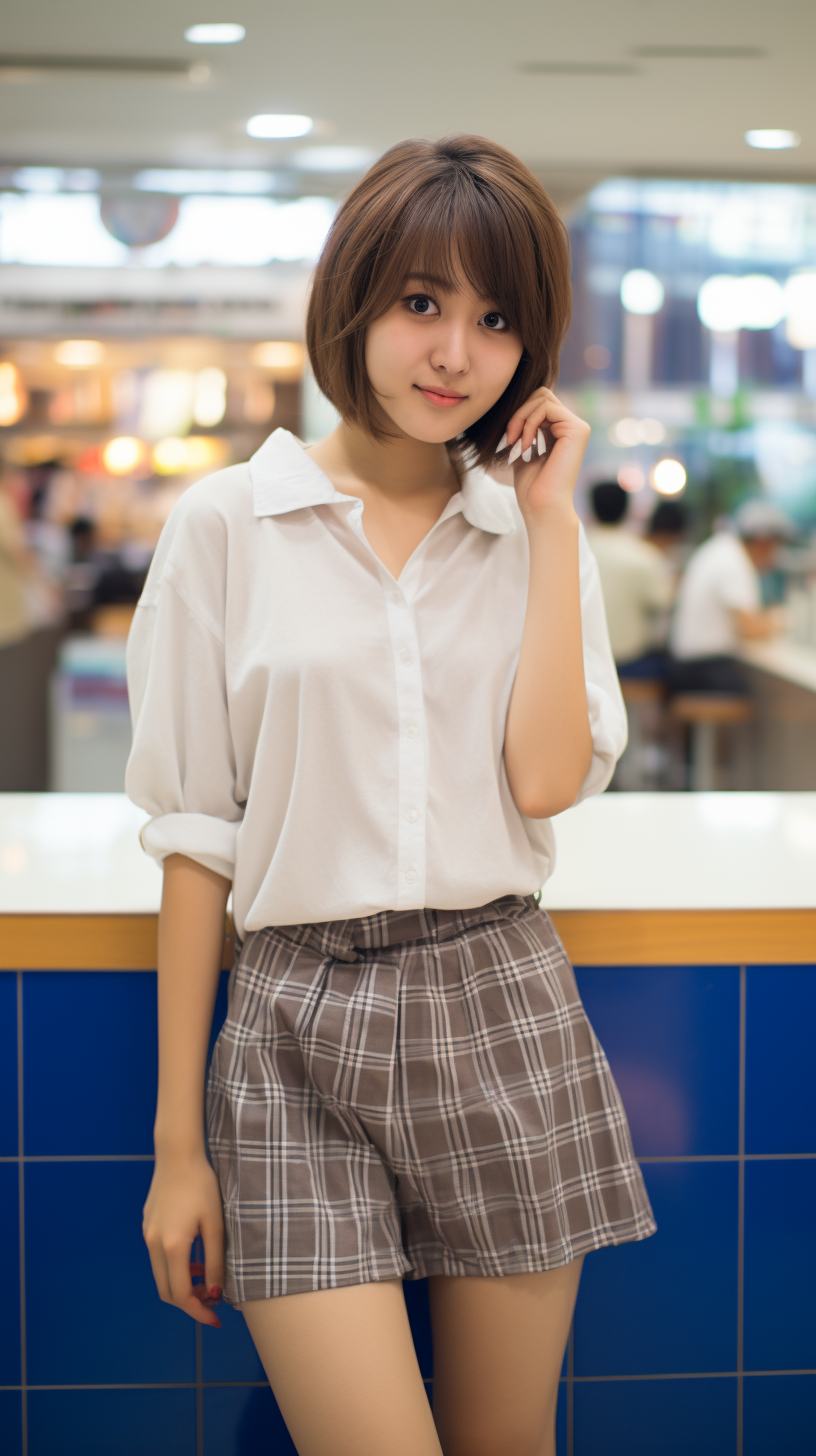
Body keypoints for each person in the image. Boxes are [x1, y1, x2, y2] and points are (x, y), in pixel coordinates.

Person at [125, 134, 656, 1456]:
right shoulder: (226, 525)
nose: (454, 354)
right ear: (354, 299)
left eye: (496, 319)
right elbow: (197, 840)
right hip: (297, 1024)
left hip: (499, 1000)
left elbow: (545, 778)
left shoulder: (532, 533)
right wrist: (177, 1149)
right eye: (422, 302)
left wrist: (543, 523)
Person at [667, 498, 793, 696]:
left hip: (685, 664)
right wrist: (780, 619)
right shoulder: (734, 561)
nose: (775, 556)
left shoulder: (720, 549)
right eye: (776, 546)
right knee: (765, 695)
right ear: (764, 541)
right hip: (701, 666)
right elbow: (748, 628)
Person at [585, 479, 676, 680]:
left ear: (591, 508)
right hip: (631, 660)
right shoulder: (644, 556)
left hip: (583, 659)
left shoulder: (573, 551)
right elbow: (663, 603)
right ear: (627, 510)